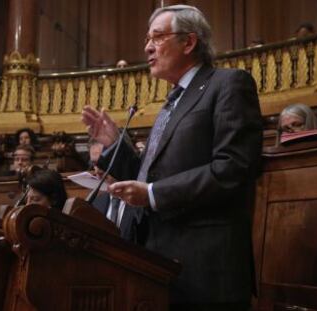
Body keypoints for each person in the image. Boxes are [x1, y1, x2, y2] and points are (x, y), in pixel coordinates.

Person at [82, 5, 262, 310]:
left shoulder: (228, 84)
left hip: (206, 270)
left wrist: (153, 194)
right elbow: (151, 175)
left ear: (189, 42)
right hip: (158, 264)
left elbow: (233, 168)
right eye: (147, 39)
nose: (147, 47)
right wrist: (116, 144)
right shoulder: (171, 102)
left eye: (158, 37)